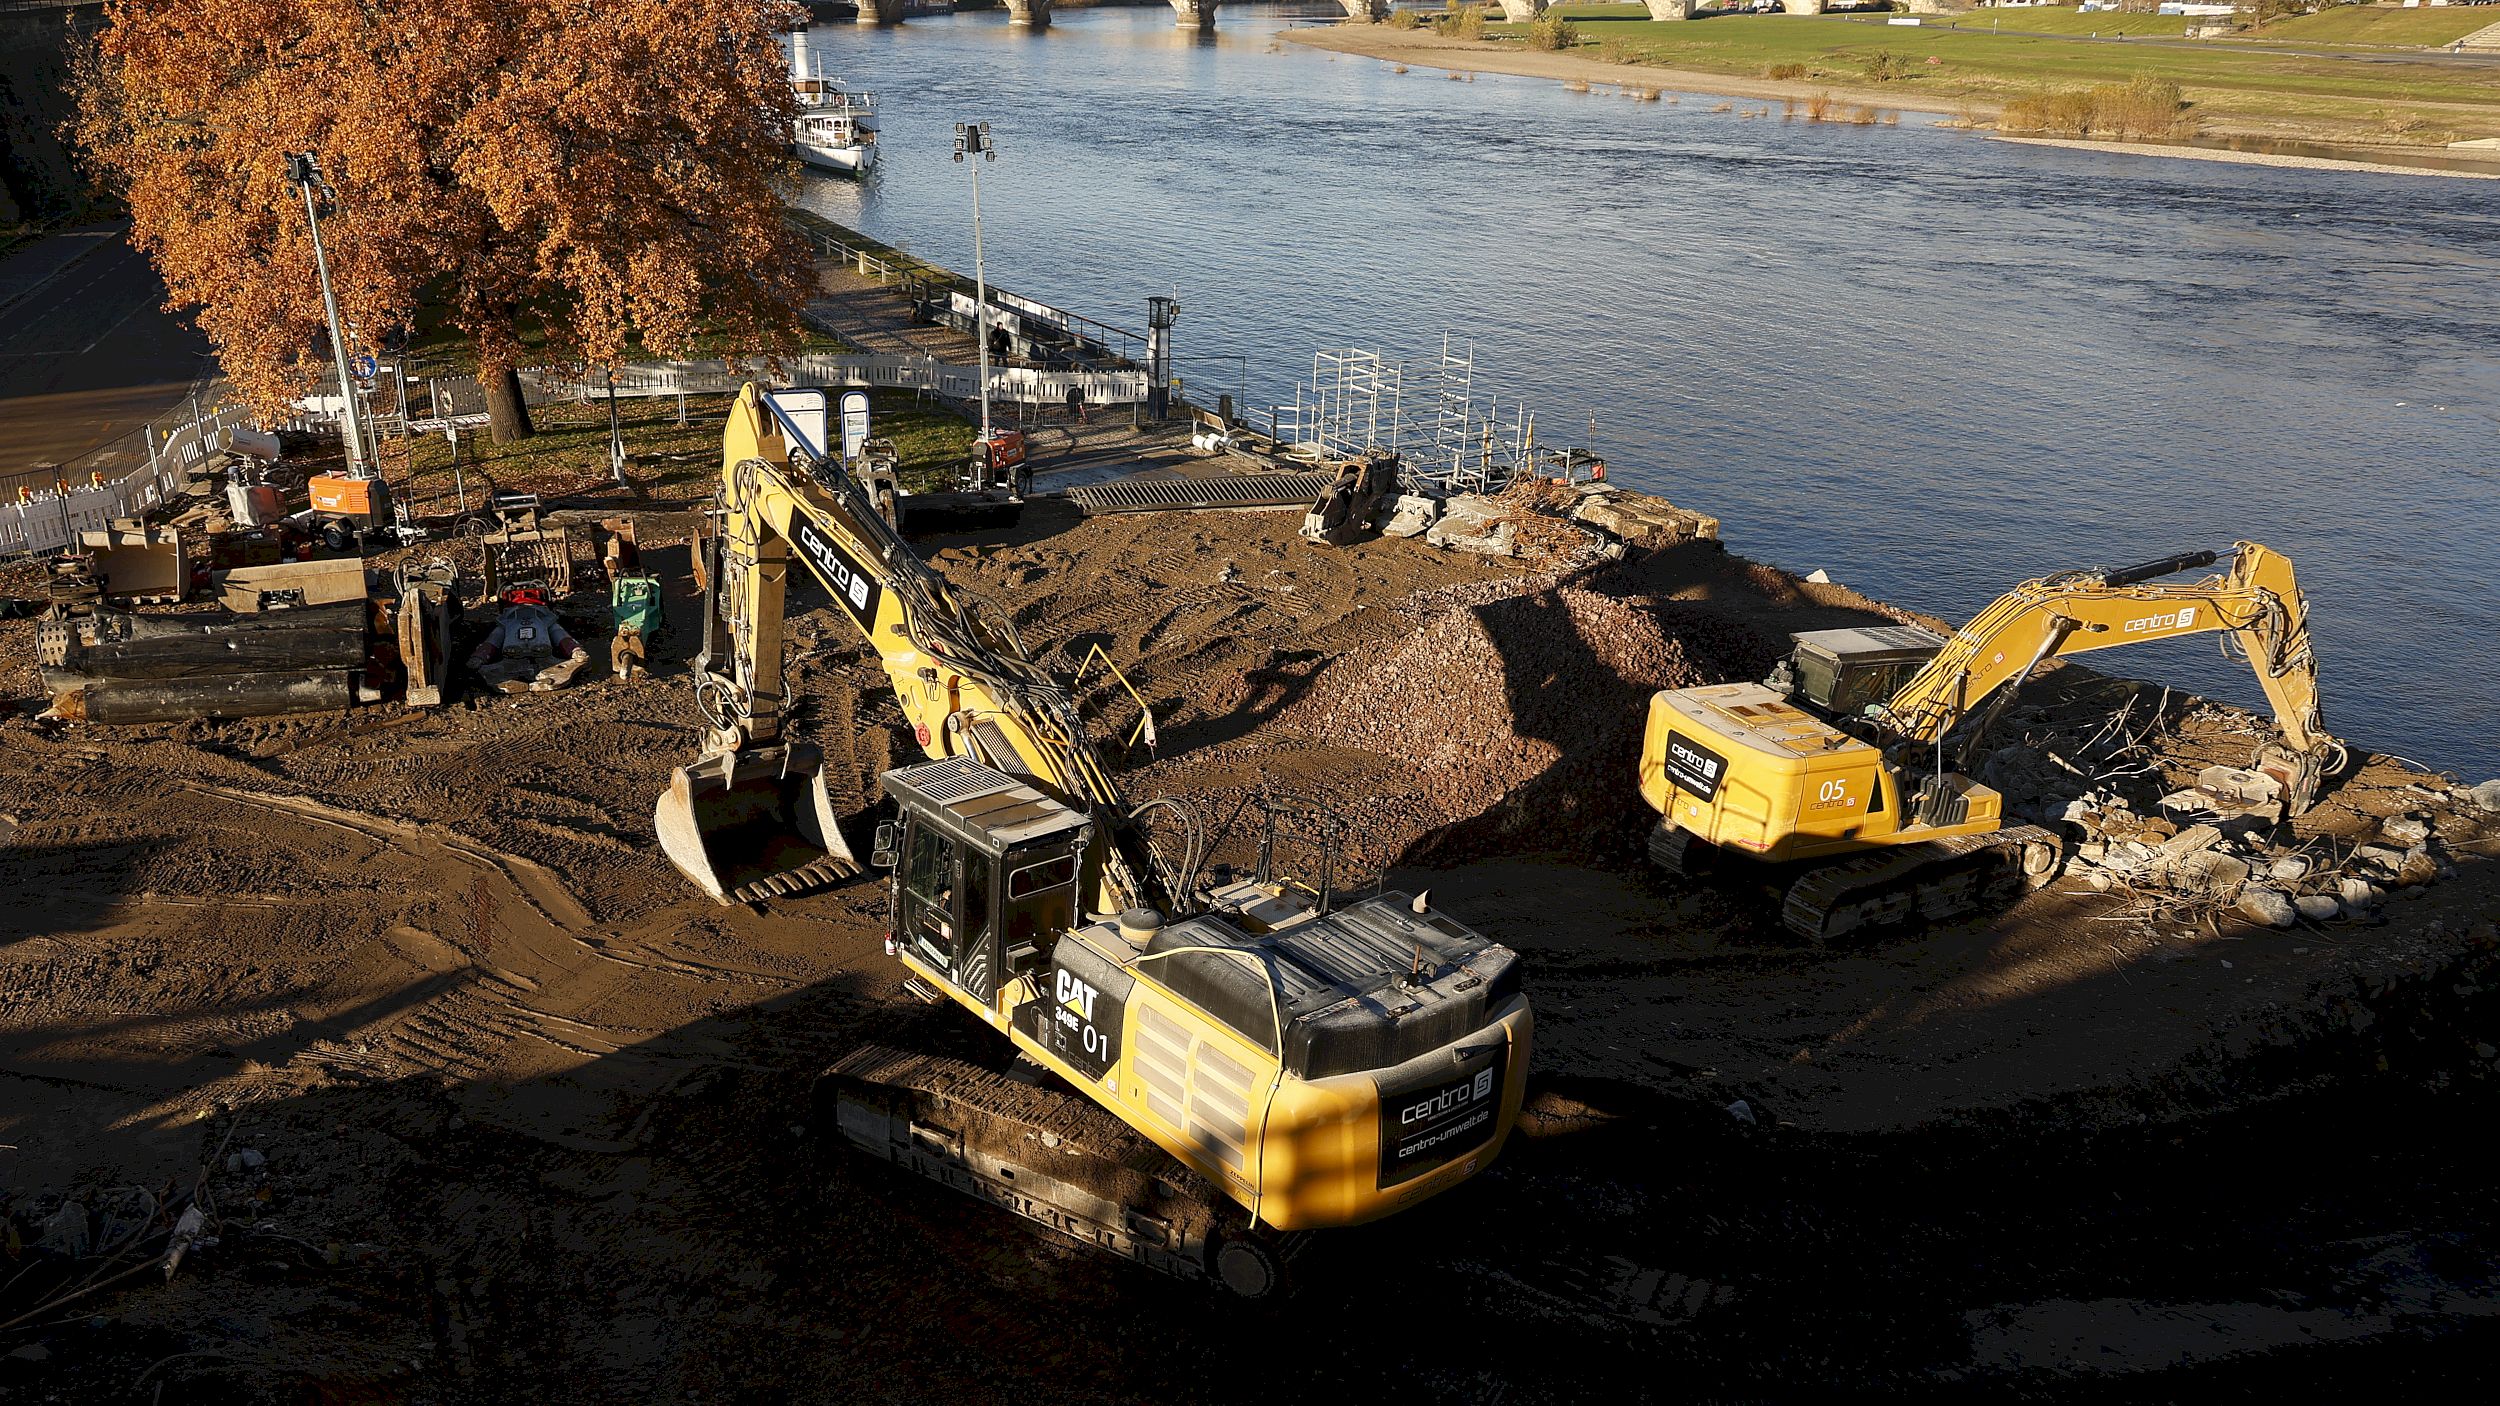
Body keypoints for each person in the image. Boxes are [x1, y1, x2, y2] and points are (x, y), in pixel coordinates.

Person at [469, 587, 589, 692]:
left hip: (516, 652)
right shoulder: (545, 619)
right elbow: (559, 634)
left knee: (497, 637)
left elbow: (493, 640)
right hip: (536, 650)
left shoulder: (507, 621)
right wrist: (575, 651)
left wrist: (479, 658)